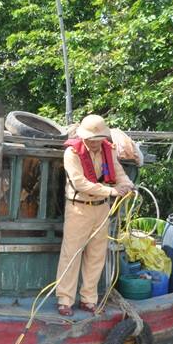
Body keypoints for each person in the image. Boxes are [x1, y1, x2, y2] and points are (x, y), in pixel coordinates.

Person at [55, 114, 134, 317]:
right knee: (71, 254)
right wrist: (111, 191)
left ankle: (88, 299)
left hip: (101, 209)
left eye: (99, 139)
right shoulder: (72, 153)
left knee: (97, 255)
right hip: (79, 208)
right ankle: (65, 300)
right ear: (85, 138)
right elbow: (79, 182)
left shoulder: (109, 150)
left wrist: (126, 185)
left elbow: (119, 173)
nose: (96, 143)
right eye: (93, 140)